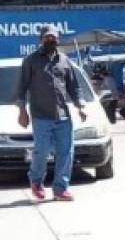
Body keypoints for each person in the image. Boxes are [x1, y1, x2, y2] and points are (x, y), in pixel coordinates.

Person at [16, 24, 86, 201]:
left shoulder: (64, 60)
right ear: (41, 39)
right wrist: (22, 111)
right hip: (41, 115)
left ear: (58, 39)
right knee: (42, 150)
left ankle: (60, 189)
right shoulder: (30, 61)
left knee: (66, 152)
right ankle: (36, 180)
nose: (50, 40)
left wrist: (80, 106)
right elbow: (21, 88)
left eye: (53, 37)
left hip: (63, 115)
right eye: (46, 37)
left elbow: (74, 87)